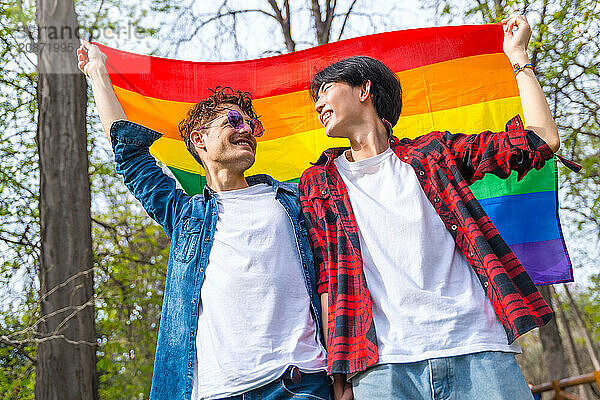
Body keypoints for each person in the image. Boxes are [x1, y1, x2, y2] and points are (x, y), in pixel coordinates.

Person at [299, 15, 574, 400]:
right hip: (382, 366)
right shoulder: (320, 183)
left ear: (364, 89)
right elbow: (330, 279)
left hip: (477, 349)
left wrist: (519, 57)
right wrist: (339, 374)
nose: (318, 104)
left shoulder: (433, 154)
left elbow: (541, 141)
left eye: (326, 90)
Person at [77, 40, 329, 400]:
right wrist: (99, 73)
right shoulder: (186, 216)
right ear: (200, 139)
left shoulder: (295, 199)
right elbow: (130, 157)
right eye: (233, 120)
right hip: (216, 391)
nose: (247, 129)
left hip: (300, 384)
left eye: (252, 125)